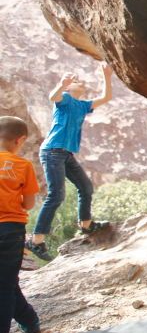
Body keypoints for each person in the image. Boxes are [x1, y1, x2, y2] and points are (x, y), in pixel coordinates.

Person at [27, 63, 114, 261]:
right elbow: (53, 97)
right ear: (68, 88)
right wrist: (61, 83)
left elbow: (106, 97)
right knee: (56, 195)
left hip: (66, 154)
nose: (80, 82)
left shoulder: (82, 105)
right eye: (75, 81)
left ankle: (86, 224)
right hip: (52, 152)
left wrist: (106, 76)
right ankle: (36, 240)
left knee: (85, 187)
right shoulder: (64, 99)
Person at [0, 116, 41, 333]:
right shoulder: (22, 166)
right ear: (20, 140)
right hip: (10, 230)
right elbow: (27, 204)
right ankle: (31, 325)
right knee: (5, 286)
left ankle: (31, 324)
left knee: (5, 282)